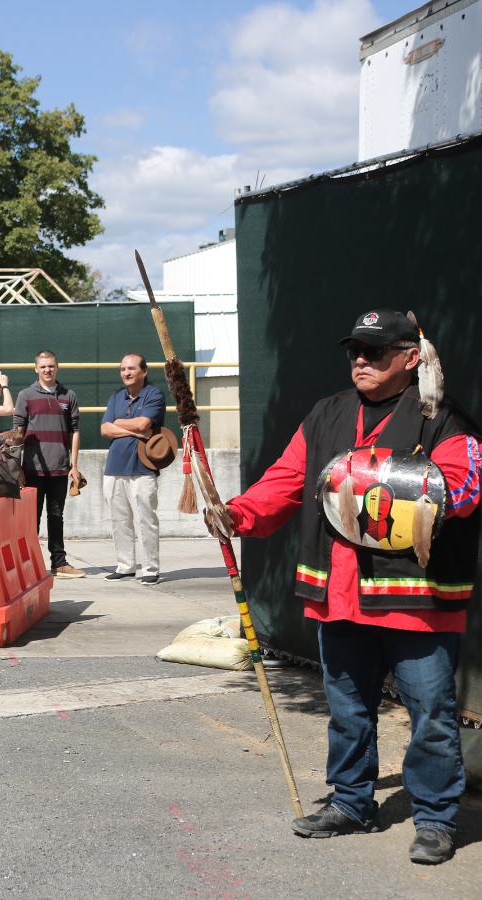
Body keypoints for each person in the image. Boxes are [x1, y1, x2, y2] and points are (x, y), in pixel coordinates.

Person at [225, 309, 480, 865]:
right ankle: (352, 802)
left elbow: (462, 489)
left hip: (417, 600)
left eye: (376, 350)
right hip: (338, 593)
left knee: (431, 713)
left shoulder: (445, 418)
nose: (361, 360)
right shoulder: (327, 413)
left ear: (410, 358)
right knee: (347, 709)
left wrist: (378, 480)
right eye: (354, 352)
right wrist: (238, 513)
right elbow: (287, 479)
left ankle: (436, 817)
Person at [13, 350, 85, 578]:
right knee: (31, 521)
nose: (47, 370)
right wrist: (16, 467)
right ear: (36, 368)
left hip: (60, 469)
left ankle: (59, 563)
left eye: (51, 366)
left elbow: (74, 431)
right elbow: (18, 434)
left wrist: (74, 465)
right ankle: (31, 566)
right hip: (32, 470)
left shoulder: (69, 396)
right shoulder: (25, 395)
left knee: (56, 517)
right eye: (43, 366)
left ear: (57, 367)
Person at [100, 353, 166, 584]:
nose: (126, 373)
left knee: (145, 520)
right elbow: (105, 429)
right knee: (119, 521)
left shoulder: (154, 394)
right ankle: (125, 566)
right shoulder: (116, 397)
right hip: (114, 468)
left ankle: (150, 569)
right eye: (122, 369)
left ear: (144, 371)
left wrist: (120, 423)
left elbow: (143, 423)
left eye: (131, 369)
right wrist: (132, 431)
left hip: (143, 468)